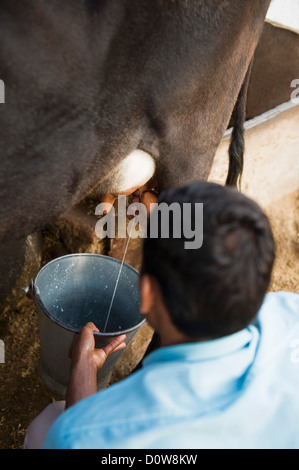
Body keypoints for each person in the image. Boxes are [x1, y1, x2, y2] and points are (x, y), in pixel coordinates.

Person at [24, 181, 299, 449]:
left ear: (147, 292)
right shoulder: (290, 310)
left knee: (44, 427)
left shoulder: (94, 431)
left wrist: (82, 373)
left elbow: (77, 437)